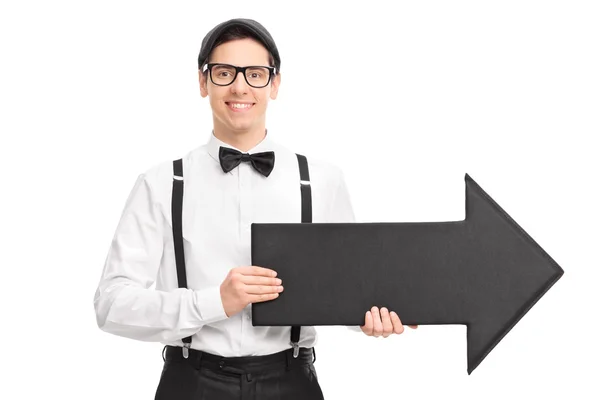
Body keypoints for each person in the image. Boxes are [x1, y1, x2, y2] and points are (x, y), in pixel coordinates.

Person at [93, 18, 417, 400]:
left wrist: (370, 317)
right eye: (225, 72)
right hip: (192, 383)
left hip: (292, 382)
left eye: (256, 73)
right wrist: (214, 301)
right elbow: (111, 304)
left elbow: (345, 288)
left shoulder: (322, 180)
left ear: (275, 84)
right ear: (203, 82)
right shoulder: (162, 182)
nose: (240, 86)